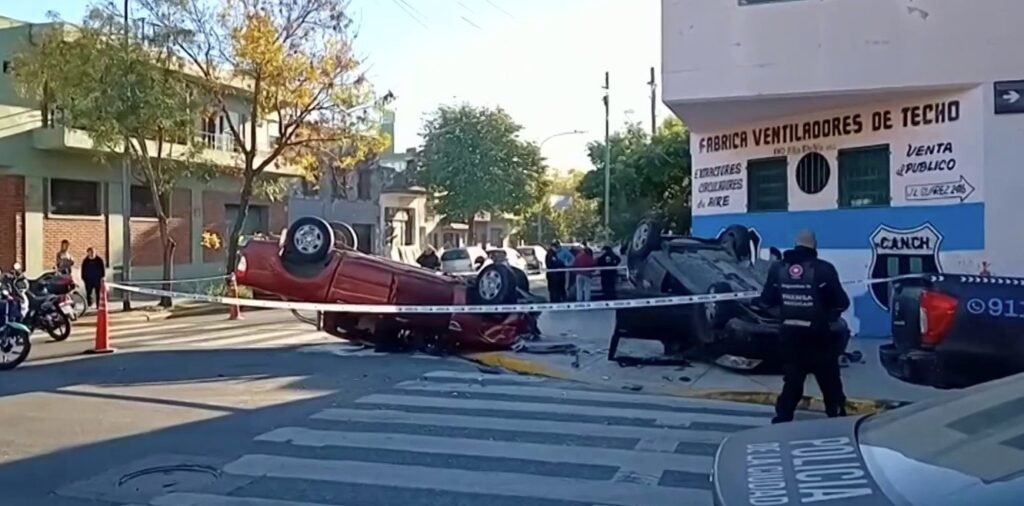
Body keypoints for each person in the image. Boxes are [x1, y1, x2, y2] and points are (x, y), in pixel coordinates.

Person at [756, 230, 850, 424]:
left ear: (795, 244)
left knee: (792, 379)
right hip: (819, 336)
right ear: (814, 245)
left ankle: (783, 417)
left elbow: (766, 301)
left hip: (790, 336)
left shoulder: (777, 269)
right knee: (829, 379)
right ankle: (837, 416)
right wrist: (827, 315)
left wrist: (784, 314)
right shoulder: (824, 269)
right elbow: (842, 302)